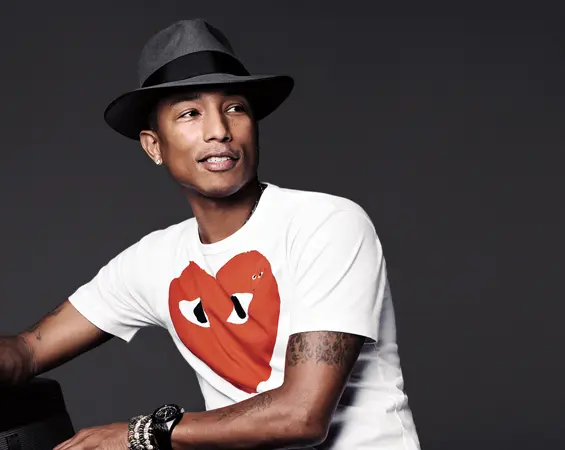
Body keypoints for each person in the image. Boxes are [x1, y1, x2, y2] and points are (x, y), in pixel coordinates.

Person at [0, 19, 421, 450]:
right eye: (190, 113)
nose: (219, 130)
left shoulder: (325, 223)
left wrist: (139, 434)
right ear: (154, 146)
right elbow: (27, 352)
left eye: (235, 108)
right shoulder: (155, 261)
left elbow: (302, 415)